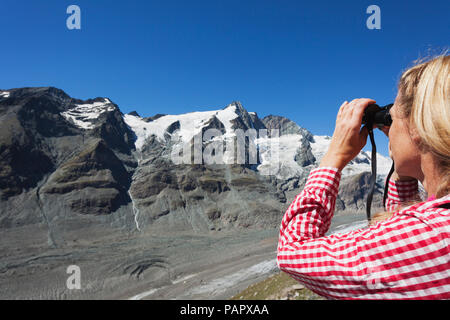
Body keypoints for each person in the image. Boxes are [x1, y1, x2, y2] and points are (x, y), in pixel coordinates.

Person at [277, 54, 450, 299]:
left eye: (394, 114)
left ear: (420, 128)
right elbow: (401, 224)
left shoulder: (433, 235)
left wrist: (334, 156)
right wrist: (407, 165)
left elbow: (292, 252)